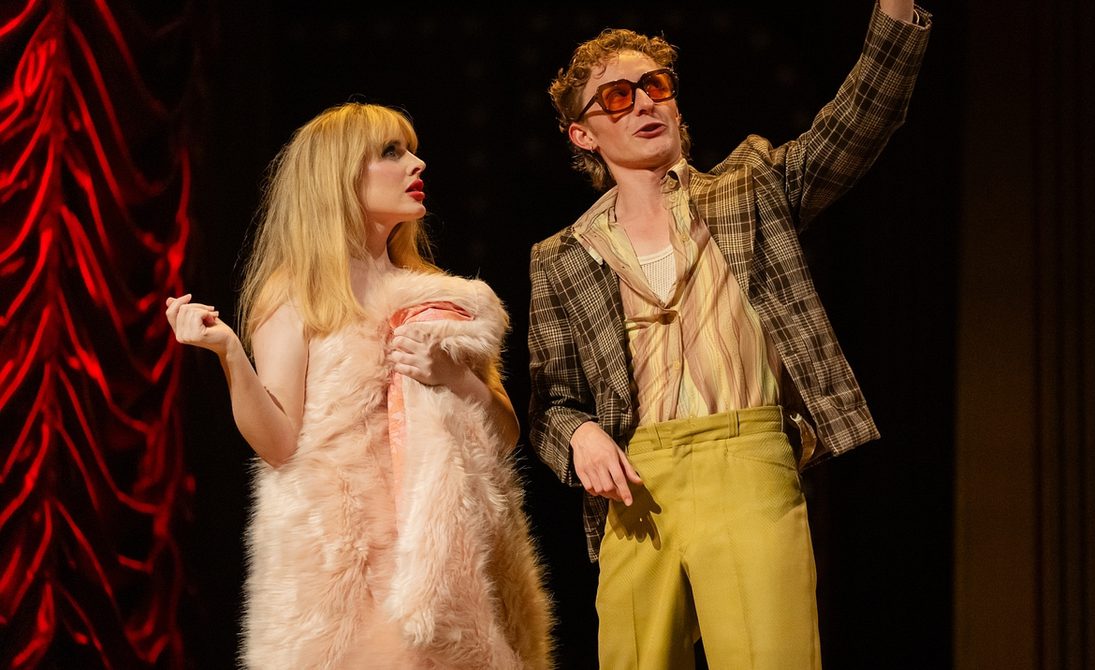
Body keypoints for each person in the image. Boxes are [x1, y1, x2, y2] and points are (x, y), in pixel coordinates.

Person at [527, 2, 931, 668]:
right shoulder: (562, 256)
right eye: (618, 97)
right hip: (637, 487)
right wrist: (579, 435)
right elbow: (552, 400)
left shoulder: (749, 190)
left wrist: (894, 12)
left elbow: (858, 122)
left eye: (656, 86)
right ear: (583, 134)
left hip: (747, 461)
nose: (643, 105)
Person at [166, 102, 552, 669]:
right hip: (347, 568)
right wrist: (228, 351)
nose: (417, 163)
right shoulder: (299, 292)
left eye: (411, 149)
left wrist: (453, 377)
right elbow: (278, 443)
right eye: (392, 152)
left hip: (447, 562)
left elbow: (504, 433)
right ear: (340, 175)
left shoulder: (438, 298)